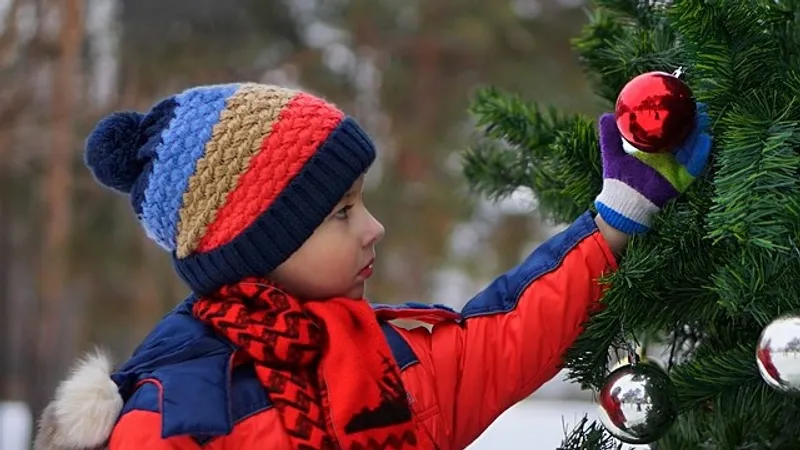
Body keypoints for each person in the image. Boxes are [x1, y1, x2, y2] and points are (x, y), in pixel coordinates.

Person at [32, 83, 711, 450]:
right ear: (258, 246)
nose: (374, 228)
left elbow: (500, 339)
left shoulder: (377, 358)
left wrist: (617, 214)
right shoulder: (173, 420)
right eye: (341, 213)